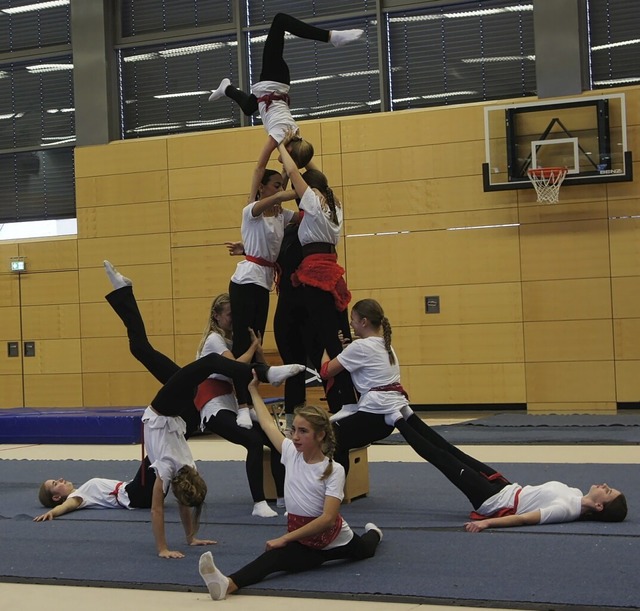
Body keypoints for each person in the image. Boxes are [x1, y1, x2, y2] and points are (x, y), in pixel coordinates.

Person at [322, 299, 629, 529]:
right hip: (508, 489)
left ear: (600, 507)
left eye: (608, 491)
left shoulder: (568, 507)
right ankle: (400, 416)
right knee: (451, 451)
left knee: (439, 457)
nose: (604, 485)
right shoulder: (574, 493)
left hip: (494, 502)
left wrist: (487, 523)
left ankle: (398, 418)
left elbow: (526, 519)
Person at [197, 373, 382, 600]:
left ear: (321, 435)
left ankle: (375, 533)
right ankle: (226, 583)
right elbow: (266, 423)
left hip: (335, 540)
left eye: (303, 431)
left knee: (365, 549)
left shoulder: (334, 469)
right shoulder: (291, 453)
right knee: (273, 559)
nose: (295, 436)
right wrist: (253, 390)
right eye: (293, 430)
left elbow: (327, 519)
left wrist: (285, 538)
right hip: (305, 541)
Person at [208, 13, 363, 200]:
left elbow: (298, 168)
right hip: (273, 81)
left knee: (249, 108)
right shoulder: (278, 136)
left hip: (269, 95)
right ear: (290, 154)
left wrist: (324, 188)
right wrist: (251, 199)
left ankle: (227, 88)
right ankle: (331, 37)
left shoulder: (296, 137)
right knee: (280, 20)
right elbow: (259, 168)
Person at [277, 136, 357, 414]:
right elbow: (314, 175)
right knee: (336, 339)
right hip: (332, 270)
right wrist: (303, 154)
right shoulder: (335, 205)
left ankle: (344, 403)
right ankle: (347, 399)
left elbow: (298, 176)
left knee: (329, 340)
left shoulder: (311, 201)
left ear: (309, 189)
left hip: (315, 273)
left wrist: (280, 146)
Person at [195, 292, 287, 518]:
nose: (233, 318)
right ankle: (259, 503)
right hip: (213, 406)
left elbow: (257, 369)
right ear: (216, 316)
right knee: (254, 442)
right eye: (229, 314)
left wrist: (259, 351)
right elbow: (235, 366)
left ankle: (284, 497)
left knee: (277, 441)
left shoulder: (235, 340)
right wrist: (252, 347)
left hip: (232, 403)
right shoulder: (213, 340)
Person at [228, 168, 298, 413]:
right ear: (261, 187)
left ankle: (262, 379)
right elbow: (266, 180)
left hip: (263, 282)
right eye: (276, 185)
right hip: (245, 282)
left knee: (257, 340)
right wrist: (290, 183)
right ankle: (243, 405)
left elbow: (302, 217)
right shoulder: (251, 211)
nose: (280, 189)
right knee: (243, 342)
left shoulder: (280, 215)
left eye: (281, 185)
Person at [34, 457, 156, 520]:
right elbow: (66, 506)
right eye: (55, 483)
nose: (60, 479)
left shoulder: (81, 492)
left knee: (162, 459)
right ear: (56, 497)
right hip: (135, 495)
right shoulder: (76, 497)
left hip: (141, 494)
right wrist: (52, 513)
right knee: (153, 454)